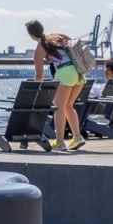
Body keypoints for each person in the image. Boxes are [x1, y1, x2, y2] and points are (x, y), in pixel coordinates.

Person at [26, 19, 86, 151]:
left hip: (65, 73)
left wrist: (36, 93)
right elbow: (73, 43)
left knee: (58, 108)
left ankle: (59, 142)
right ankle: (77, 137)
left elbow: (39, 76)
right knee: (68, 106)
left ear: (30, 35)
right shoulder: (56, 36)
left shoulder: (39, 49)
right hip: (79, 71)